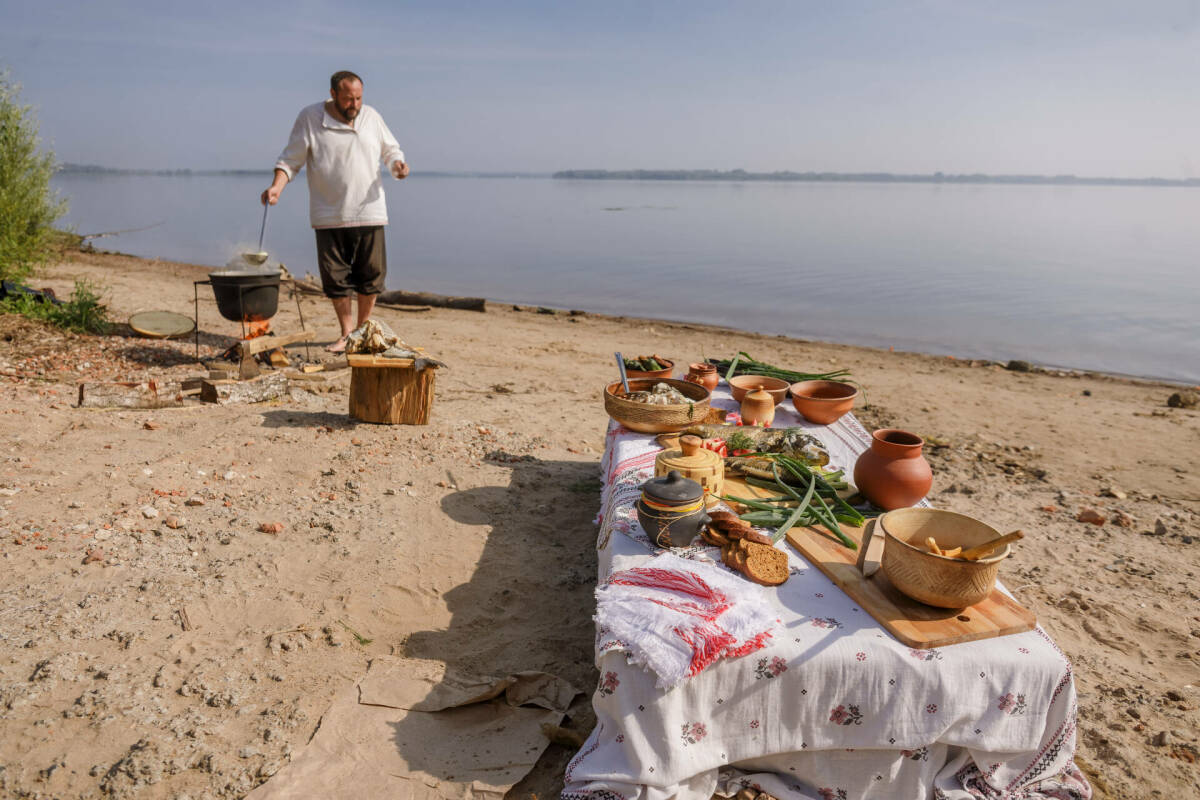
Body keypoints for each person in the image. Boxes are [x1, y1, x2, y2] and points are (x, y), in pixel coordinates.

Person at [261, 70, 409, 353]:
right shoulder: (310, 118)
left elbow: (391, 152)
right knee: (335, 278)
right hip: (328, 212)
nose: (354, 104)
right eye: (348, 99)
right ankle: (346, 333)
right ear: (333, 95)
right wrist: (276, 187)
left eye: (358, 98)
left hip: (370, 209)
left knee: (372, 275)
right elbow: (290, 159)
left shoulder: (371, 117)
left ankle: (363, 332)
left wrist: (399, 168)